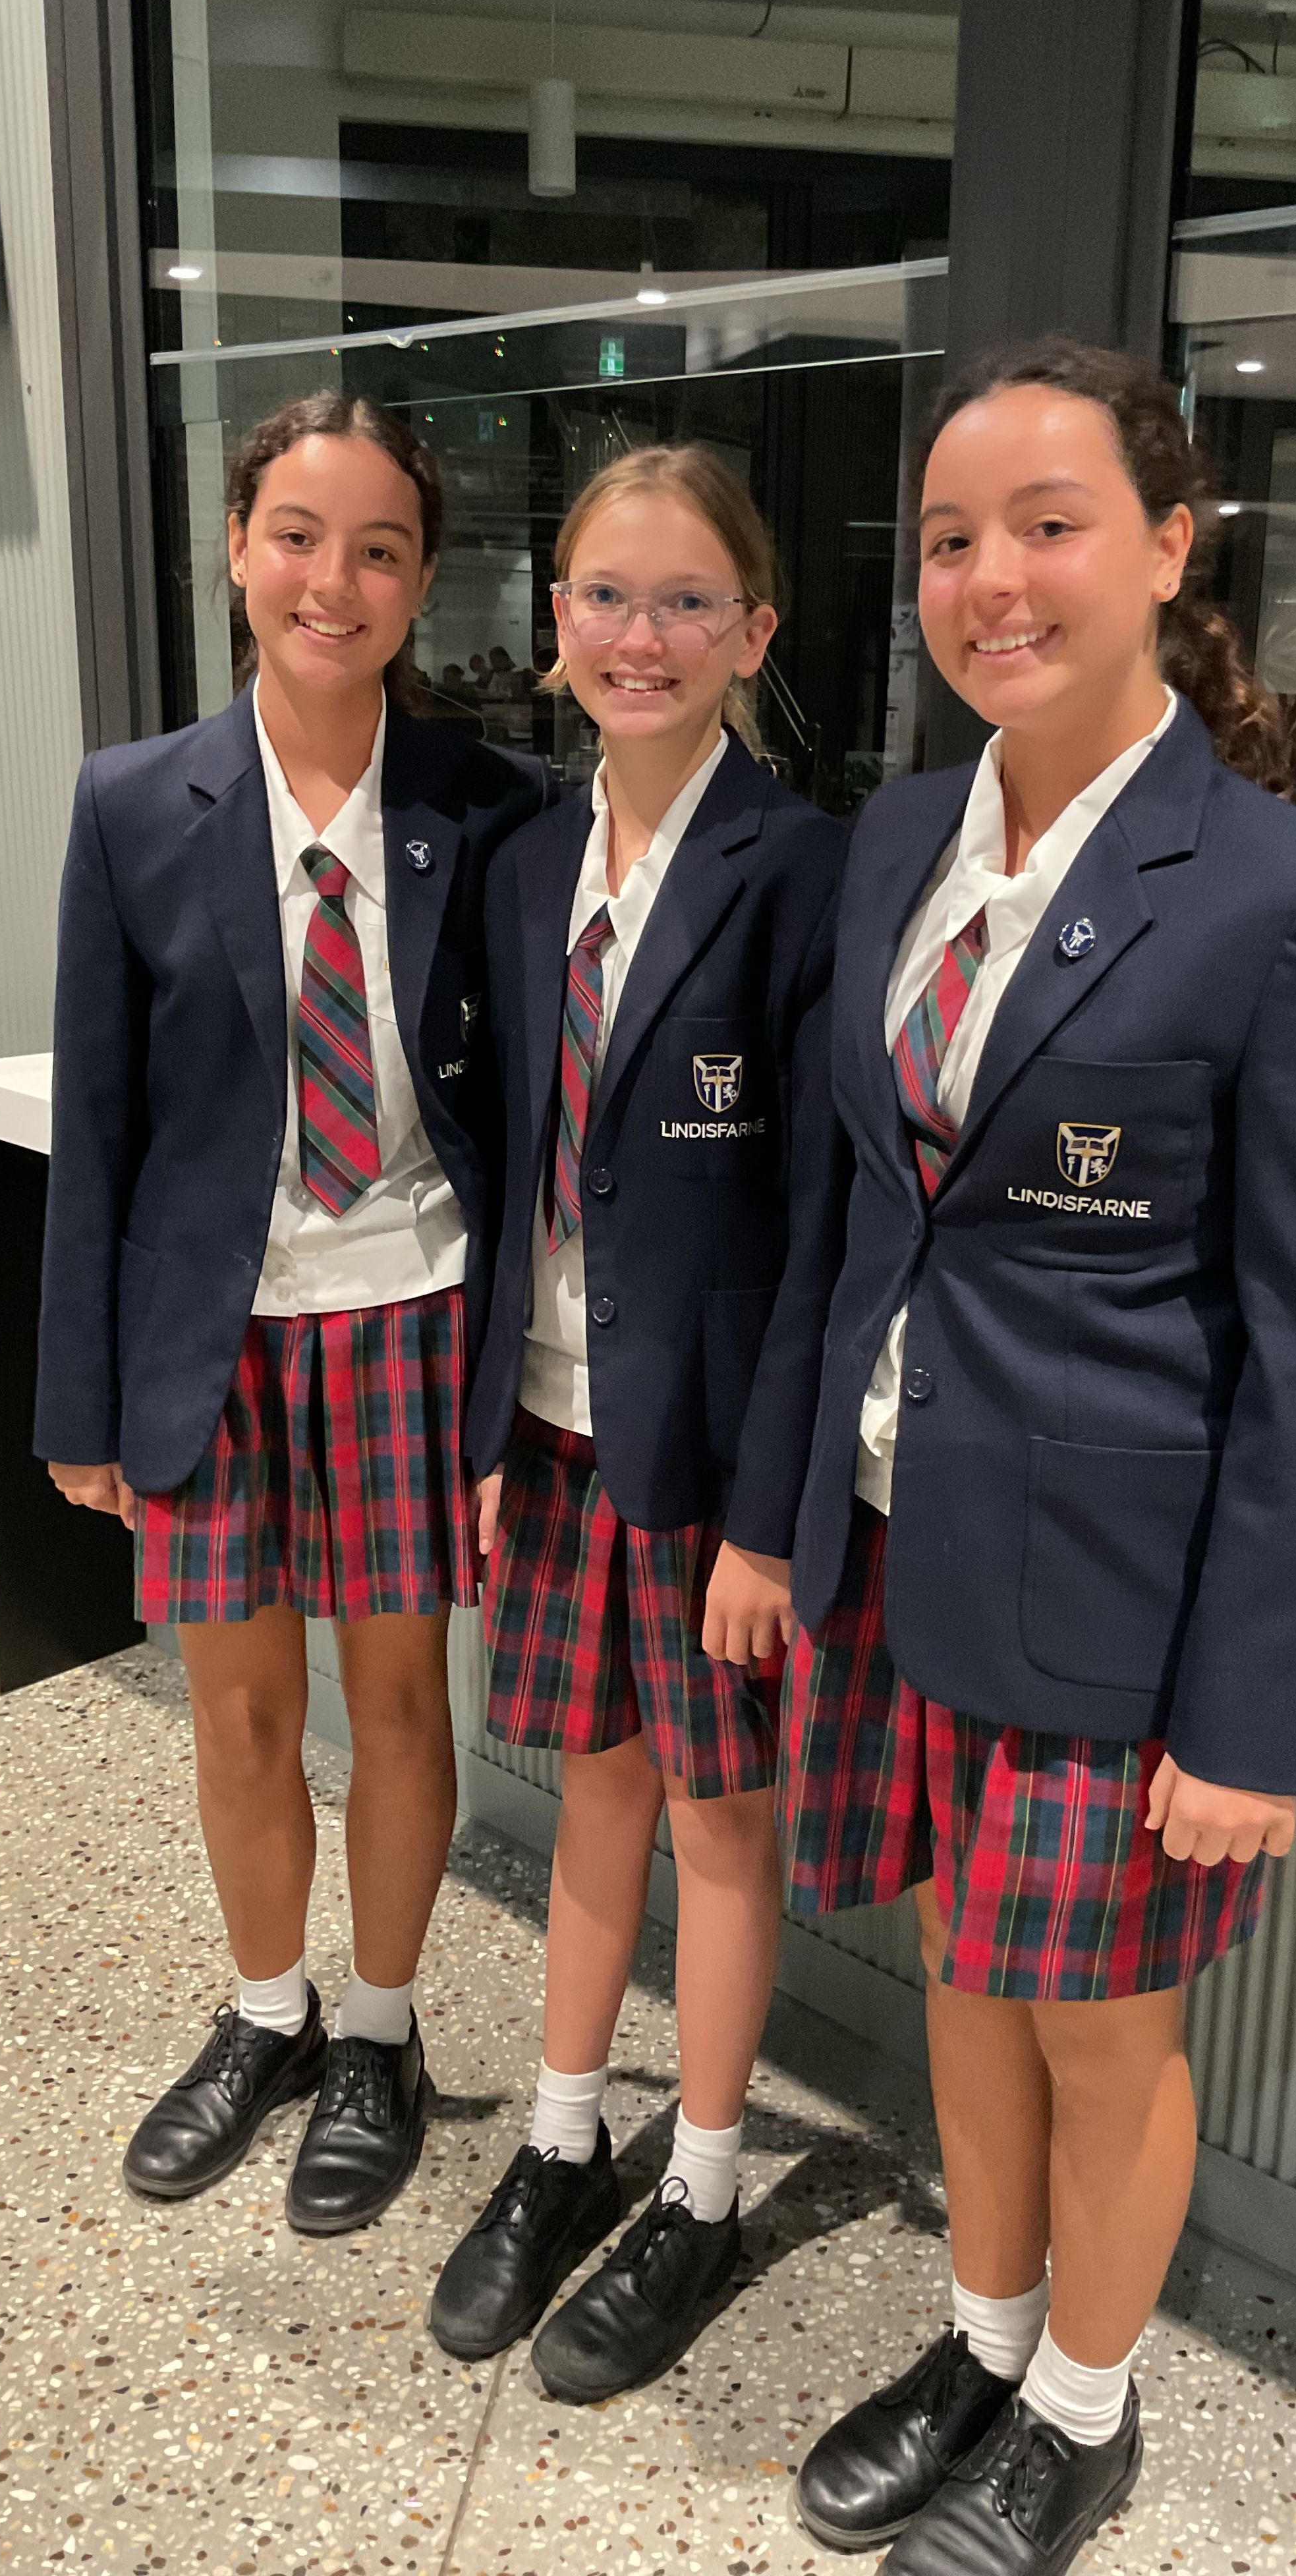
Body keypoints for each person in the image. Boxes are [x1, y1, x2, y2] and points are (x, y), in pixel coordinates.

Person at [778, 340, 1296, 2575]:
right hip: (904, 1541)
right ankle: (984, 2341)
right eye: (952, 540)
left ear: (1169, 544)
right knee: (964, 1979)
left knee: (1101, 2032)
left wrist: (1250, 1720)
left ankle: (1083, 2409)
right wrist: (792, 1521)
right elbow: (873, 1212)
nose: (994, 579)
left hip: (1119, 1602)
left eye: (1049, 526)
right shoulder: (904, 838)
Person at [36, 393, 550, 2238]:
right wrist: (80, 1406)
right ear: (239, 553)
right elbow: (99, 1125)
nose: (335, 582)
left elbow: (528, 1119)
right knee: (240, 1711)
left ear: (424, 580)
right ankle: (269, 2013)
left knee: (401, 1706)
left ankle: (383, 2036)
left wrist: (515, 1390)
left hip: (411, 1307)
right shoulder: (134, 804)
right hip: (212, 1330)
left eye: (380, 549)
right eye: (299, 538)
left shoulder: (496, 808)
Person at [424, 446, 849, 2398]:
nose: (641, 635)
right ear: (555, 620)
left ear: (754, 631)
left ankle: (703, 2181)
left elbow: (826, 1221)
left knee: (717, 1811)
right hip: (552, 1420)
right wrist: (483, 1426)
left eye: (687, 601)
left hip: (708, 1452)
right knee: (588, 1779)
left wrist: (770, 1516)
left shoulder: (806, 871)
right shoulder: (527, 867)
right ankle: (565, 2133)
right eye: (606, 594)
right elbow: (510, 1159)